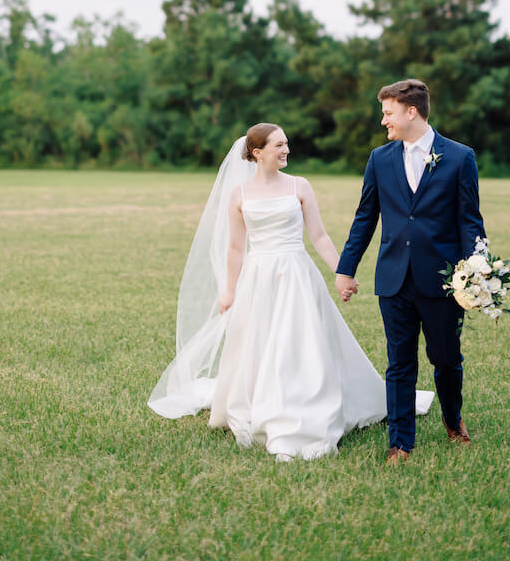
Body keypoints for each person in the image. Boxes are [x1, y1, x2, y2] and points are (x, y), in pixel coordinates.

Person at [149, 122, 433, 461]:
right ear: (257, 153)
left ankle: (305, 405)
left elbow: (320, 237)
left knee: (299, 341)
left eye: (286, 144)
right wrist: (229, 289)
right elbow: (236, 248)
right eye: (278, 145)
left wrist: (342, 273)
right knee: (260, 341)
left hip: (296, 274)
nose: (286, 150)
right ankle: (261, 403)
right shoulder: (239, 194)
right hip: (258, 277)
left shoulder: (300, 185)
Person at [335, 80, 486, 466]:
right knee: (399, 363)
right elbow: (365, 217)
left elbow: (470, 220)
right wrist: (346, 268)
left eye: (387, 112)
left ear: (411, 112)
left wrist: (476, 269)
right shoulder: (380, 159)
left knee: (446, 359)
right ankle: (400, 443)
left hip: (442, 281)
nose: (382, 119)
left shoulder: (459, 157)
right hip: (393, 280)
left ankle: (453, 421)